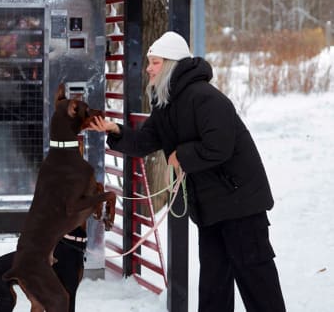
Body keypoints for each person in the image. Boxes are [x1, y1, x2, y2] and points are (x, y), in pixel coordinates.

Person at [89, 31, 286, 312]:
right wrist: (115, 131)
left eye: (154, 63)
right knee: (213, 287)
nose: (148, 69)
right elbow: (146, 142)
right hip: (211, 208)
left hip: (241, 204)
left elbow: (220, 146)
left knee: (257, 283)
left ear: (171, 64)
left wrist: (181, 155)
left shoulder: (206, 97)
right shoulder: (166, 103)